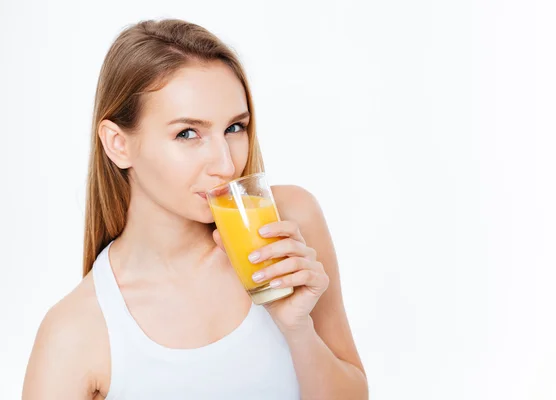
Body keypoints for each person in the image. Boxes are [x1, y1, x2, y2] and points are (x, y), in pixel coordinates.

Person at [23, 18, 367, 399]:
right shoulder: (74, 334)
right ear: (118, 144)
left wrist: (297, 329)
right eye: (187, 133)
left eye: (235, 128)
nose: (225, 163)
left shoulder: (288, 222)